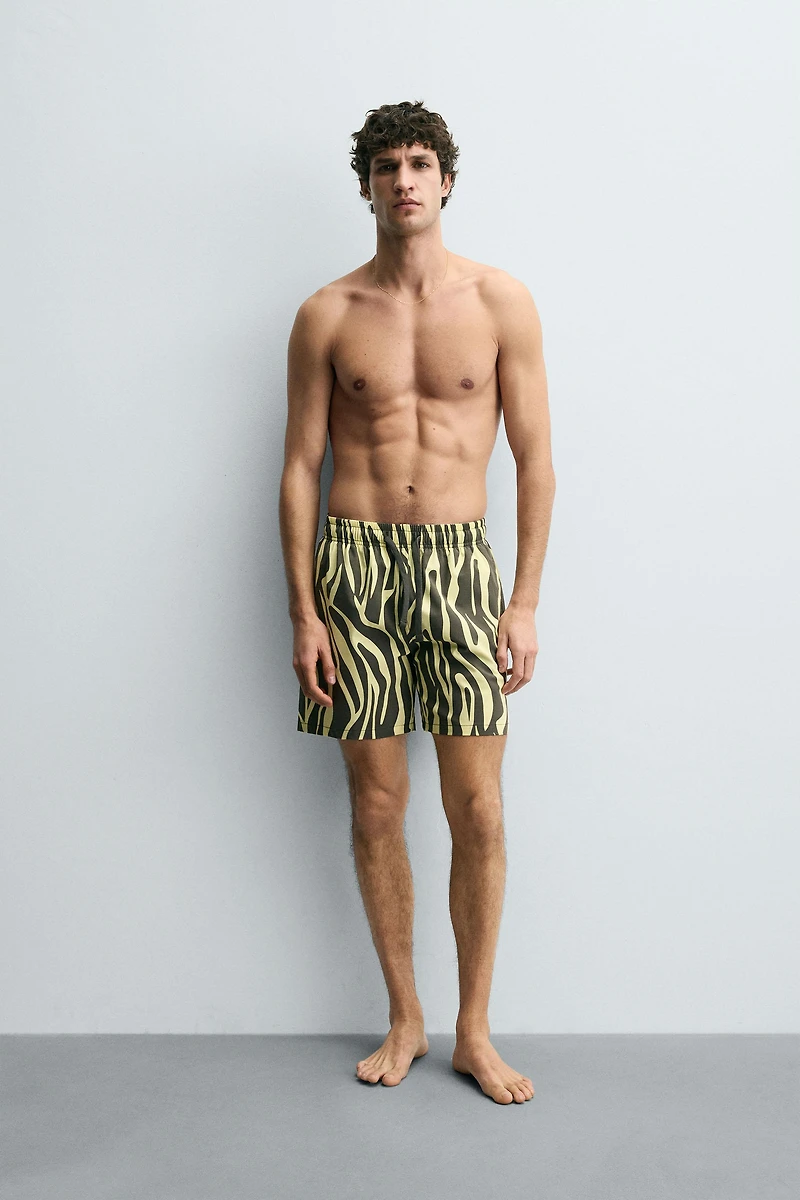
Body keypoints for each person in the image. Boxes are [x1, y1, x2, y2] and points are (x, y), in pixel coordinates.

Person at [279, 100, 555, 1105]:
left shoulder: (499, 302)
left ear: (445, 180)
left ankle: (473, 1032)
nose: (404, 179)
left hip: (459, 569)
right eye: (386, 165)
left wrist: (522, 603)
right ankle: (405, 1016)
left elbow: (535, 460)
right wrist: (305, 613)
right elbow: (299, 467)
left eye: (419, 163)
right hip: (354, 568)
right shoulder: (327, 313)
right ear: (365, 186)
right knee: (377, 804)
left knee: (477, 806)